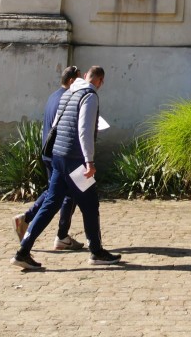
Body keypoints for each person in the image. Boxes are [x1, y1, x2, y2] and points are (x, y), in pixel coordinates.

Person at [10, 66, 122, 270]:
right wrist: (89, 161)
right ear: (99, 81)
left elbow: (57, 124)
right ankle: (96, 252)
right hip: (75, 160)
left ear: (85, 76)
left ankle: (23, 251)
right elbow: (84, 130)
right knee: (90, 205)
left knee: (50, 204)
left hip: (58, 157)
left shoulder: (68, 93)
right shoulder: (89, 96)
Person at [13, 65, 84, 251]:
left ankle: (27, 219)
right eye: (78, 80)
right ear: (71, 81)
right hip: (61, 153)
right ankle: (60, 235)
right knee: (67, 194)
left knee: (55, 191)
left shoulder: (53, 96)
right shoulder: (69, 98)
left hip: (49, 151)